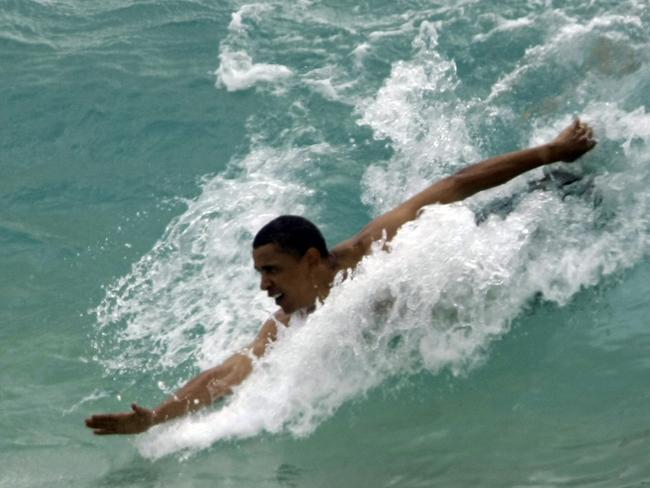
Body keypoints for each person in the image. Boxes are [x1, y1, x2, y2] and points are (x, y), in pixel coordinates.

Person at [85, 119, 596, 435]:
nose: (264, 285)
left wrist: (550, 151)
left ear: (311, 260)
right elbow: (225, 375)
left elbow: (456, 185)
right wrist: (156, 416)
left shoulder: (370, 248)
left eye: (272, 270)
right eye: (260, 273)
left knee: (557, 198)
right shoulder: (290, 319)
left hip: (483, 245)